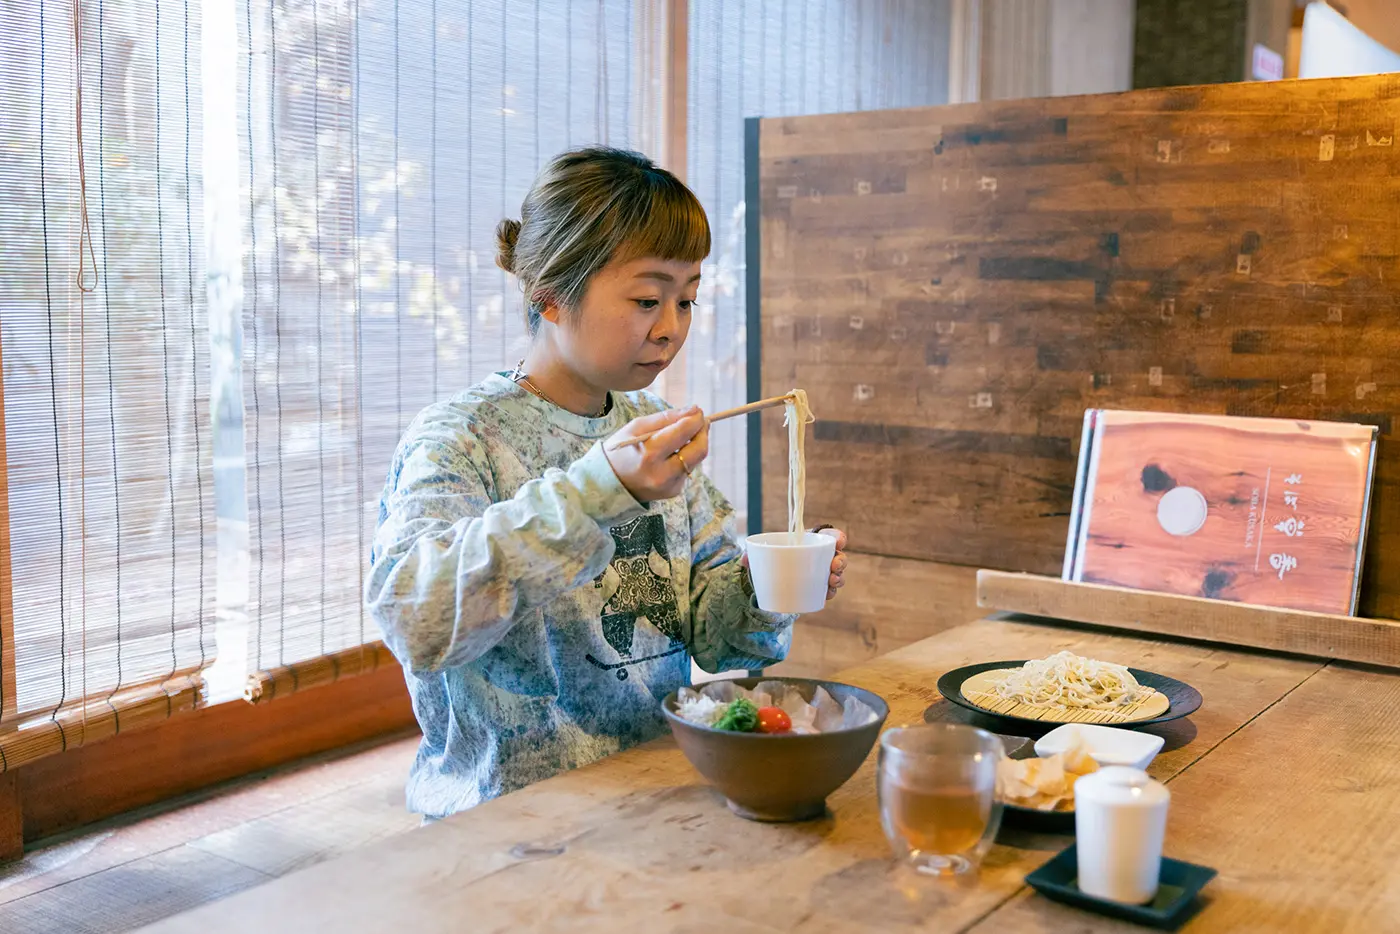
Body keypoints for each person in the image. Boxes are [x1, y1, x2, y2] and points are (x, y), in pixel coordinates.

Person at [365, 147, 848, 821]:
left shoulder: (652, 426)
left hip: (661, 791)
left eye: (687, 299)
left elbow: (718, 640)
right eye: (648, 299)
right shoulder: (460, 438)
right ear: (551, 295)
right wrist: (601, 490)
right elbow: (416, 620)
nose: (672, 327)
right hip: (506, 820)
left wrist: (770, 588)